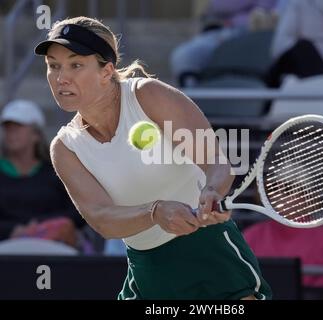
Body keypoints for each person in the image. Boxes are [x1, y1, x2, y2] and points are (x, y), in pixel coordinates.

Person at [34, 16, 272, 300]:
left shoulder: (149, 96)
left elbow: (216, 161)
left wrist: (211, 190)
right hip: (145, 269)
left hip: (212, 253)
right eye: (53, 66)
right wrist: (156, 212)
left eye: (76, 64)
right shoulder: (64, 147)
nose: (61, 78)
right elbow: (102, 218)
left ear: (106, 71)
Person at [0, 99, 85, 249]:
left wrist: (40, 226)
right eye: (8, 128)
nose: (11, 133)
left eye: (18, 127)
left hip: (54, 247)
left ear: (36, 135)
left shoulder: (57, 171)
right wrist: (13, 230)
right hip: (5, 248)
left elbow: (79, 212)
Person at [170, 0, 284, 86]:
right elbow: (218, 5)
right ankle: (190, 96)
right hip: (224, 32)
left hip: (260, 35)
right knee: (185, 55)